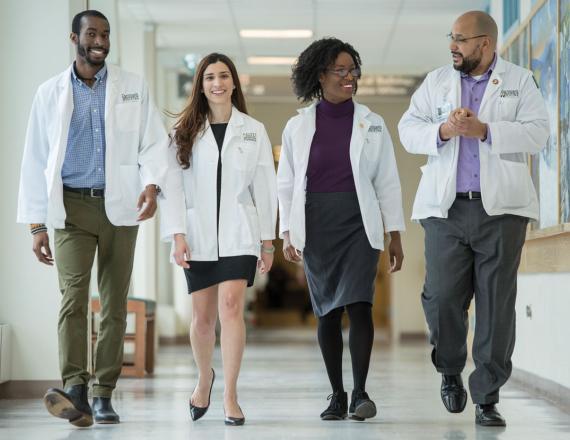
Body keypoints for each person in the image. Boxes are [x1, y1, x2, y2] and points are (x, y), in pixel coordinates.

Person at [16, 10, 168, 427]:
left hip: (120, 205)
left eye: (105, 34)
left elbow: (154, 143)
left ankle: (103, 392)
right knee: (73, 301)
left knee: (115, 301)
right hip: (70, 208)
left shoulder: (133, 87)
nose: (100, 40)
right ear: (74, 38)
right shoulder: (50, 93)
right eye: (92, 34)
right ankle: (75, 387)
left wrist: (152, 186)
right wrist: (35, 224)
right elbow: (34, 159)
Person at [398, 11, 549, 427]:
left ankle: (487, 396)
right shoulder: (437, 82)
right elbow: (408, 129)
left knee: (496, 306)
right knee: (442, 298)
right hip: (446, 210)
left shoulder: (519, 81)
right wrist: (443, 131)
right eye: (452, 37)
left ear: (485, 43)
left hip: (502, 212)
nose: (453, 45)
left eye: (460, 39)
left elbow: (539, 133)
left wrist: (485, 130)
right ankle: (450, 369)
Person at [277, 38, 405, 421]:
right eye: (341, 71)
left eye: (353, 71)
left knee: (360, 303)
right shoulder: (297, 126)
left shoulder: (373, 124)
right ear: (321, 76)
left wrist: (394, 233)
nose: (350, 78)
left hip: (357, 221)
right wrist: (286, 231)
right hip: (316, 223)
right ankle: (336, 394)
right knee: (327, 312)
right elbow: (286, 182)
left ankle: (361, 393)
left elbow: (388, 181)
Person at [160, 53, 277, 426]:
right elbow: (173, 189)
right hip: (197, 236)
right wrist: (177, 235)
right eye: (210, 77)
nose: (217, 83)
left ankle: (230, 394)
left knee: (231, 308)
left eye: (224, 76)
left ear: (234, 82)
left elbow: (265, 188)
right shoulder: (184, 130)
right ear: (200, 84)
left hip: (239, 234)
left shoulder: (253, 130)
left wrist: (267, 241)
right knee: (203, 317)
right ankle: (204, 377)